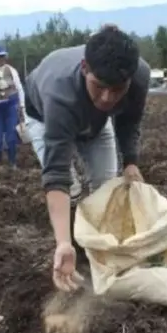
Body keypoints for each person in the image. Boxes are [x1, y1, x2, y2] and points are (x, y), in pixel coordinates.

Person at [23, 24, 150, 292]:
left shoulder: (139, 76)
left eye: (117, 90)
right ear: (84, 68)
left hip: (95, 122)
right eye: (100, 87)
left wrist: (130, 162)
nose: (107, 98)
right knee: (71, 187)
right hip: (45, 119)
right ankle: (73, 250)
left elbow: (129, 121)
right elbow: (55, 173)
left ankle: (102, 252)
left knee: (107, 187)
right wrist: (62, 243)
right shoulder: (59, 93)